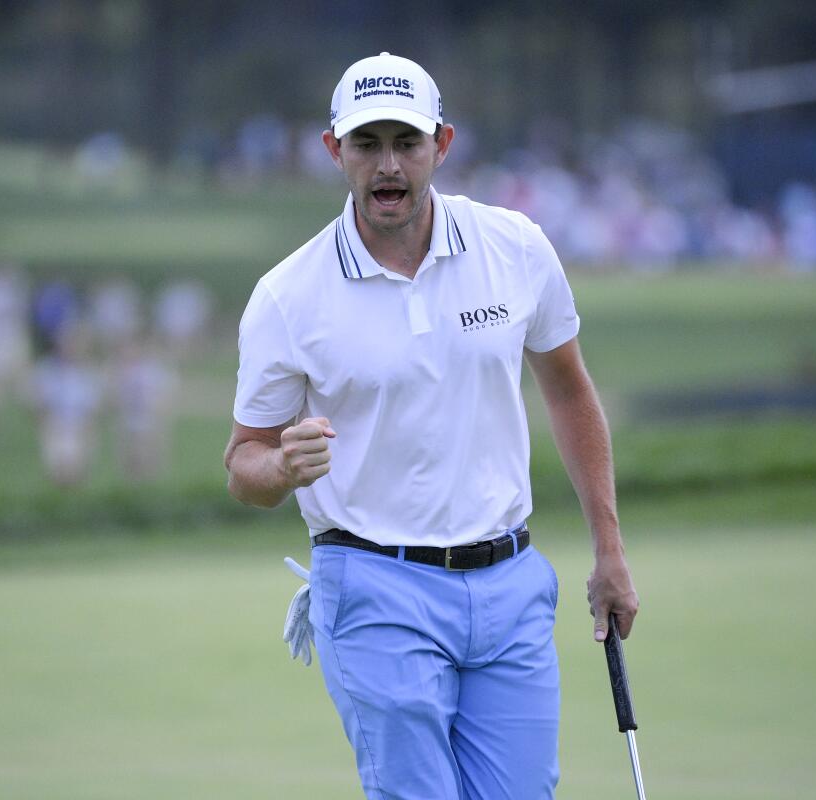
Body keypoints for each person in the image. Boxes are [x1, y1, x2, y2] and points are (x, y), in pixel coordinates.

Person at [224, 52, 639, 799]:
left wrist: (609, 549)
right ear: (334, 152)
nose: (388, 165)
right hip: (374, 585)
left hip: (510, 584)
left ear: (442, 145)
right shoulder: (289, 296)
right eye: (367, 144)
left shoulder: (513, 248)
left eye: (406, 143)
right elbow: (242, 466)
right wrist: (282, 468)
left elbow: (570, 393)